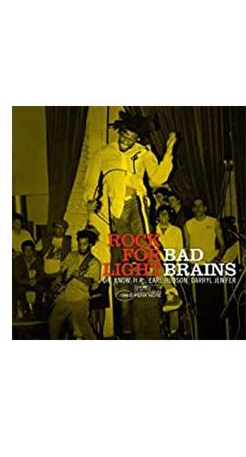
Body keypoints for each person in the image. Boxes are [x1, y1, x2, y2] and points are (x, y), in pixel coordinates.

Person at [83, 110, 179, 339]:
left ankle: (170, 290)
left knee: (145, 244)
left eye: (131, 139)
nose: (126, 142)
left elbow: (157, 178)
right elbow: (91, 180)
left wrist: (168, 151)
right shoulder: (103, 152)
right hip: (115, 212)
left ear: (138, 138)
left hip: (136, 203)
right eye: (124, 136)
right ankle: (131, 323)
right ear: (119, 131)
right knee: (129, 255)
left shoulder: (143, 152)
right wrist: (89, 199)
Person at [184, 198, 226, 339]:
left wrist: (217, 259)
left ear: (205, 208)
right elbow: (187, 247)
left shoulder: (213, 222)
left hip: (212, 266)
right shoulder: (188, 224)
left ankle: (218, 335)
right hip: (197, 267)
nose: (198, 208)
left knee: (215, 302)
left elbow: (222, 245)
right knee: (200, 305)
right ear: (192, 209)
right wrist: (189, 265)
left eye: (201, 205)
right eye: (195, 206)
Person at [48, 229, 101, 340]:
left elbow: (92, 282)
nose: (81, 247)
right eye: (79, 244)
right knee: (53, 321)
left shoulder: (94, 262)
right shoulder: (72, 255)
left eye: (84, 244)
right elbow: (62, 269)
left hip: (80, 297)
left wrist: (79, 276)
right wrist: (58, 279)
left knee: (83, 327)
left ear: (90, 244)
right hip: (65, 295)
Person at [156, 205, 184, 335]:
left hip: (172, 267)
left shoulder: (176, 231)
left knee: (173, 297)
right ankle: (162, 330)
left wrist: (176, 267)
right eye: (161, 213)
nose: (164, 216)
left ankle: (174, 330)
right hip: (157, 268)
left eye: (166, 214)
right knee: (159, 299)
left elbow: (179, 250)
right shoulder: (152, 231)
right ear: (157, 216)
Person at [12, 240, 44, 320]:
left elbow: (42, 274)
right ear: (23, 252)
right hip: (23, 283)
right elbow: (17, 277)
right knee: (19, 291)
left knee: (41, 289)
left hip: (35, 282)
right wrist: (27, 282)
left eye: (30, 250)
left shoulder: (39, 260)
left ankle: (37, 311)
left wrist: (36, 280)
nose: (28, 253)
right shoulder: (18, 261)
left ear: (33, 251)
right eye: (26, 250)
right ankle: (26, 310)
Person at [35, 220, 72, 291]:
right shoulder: (45, 239)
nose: (60, 230)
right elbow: (35, 252)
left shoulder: (67, 242)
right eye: (58, 227)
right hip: (44, 274)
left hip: (59, 275)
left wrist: (62, 274)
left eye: (62, 228)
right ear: (54, 228)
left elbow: (69, 258)